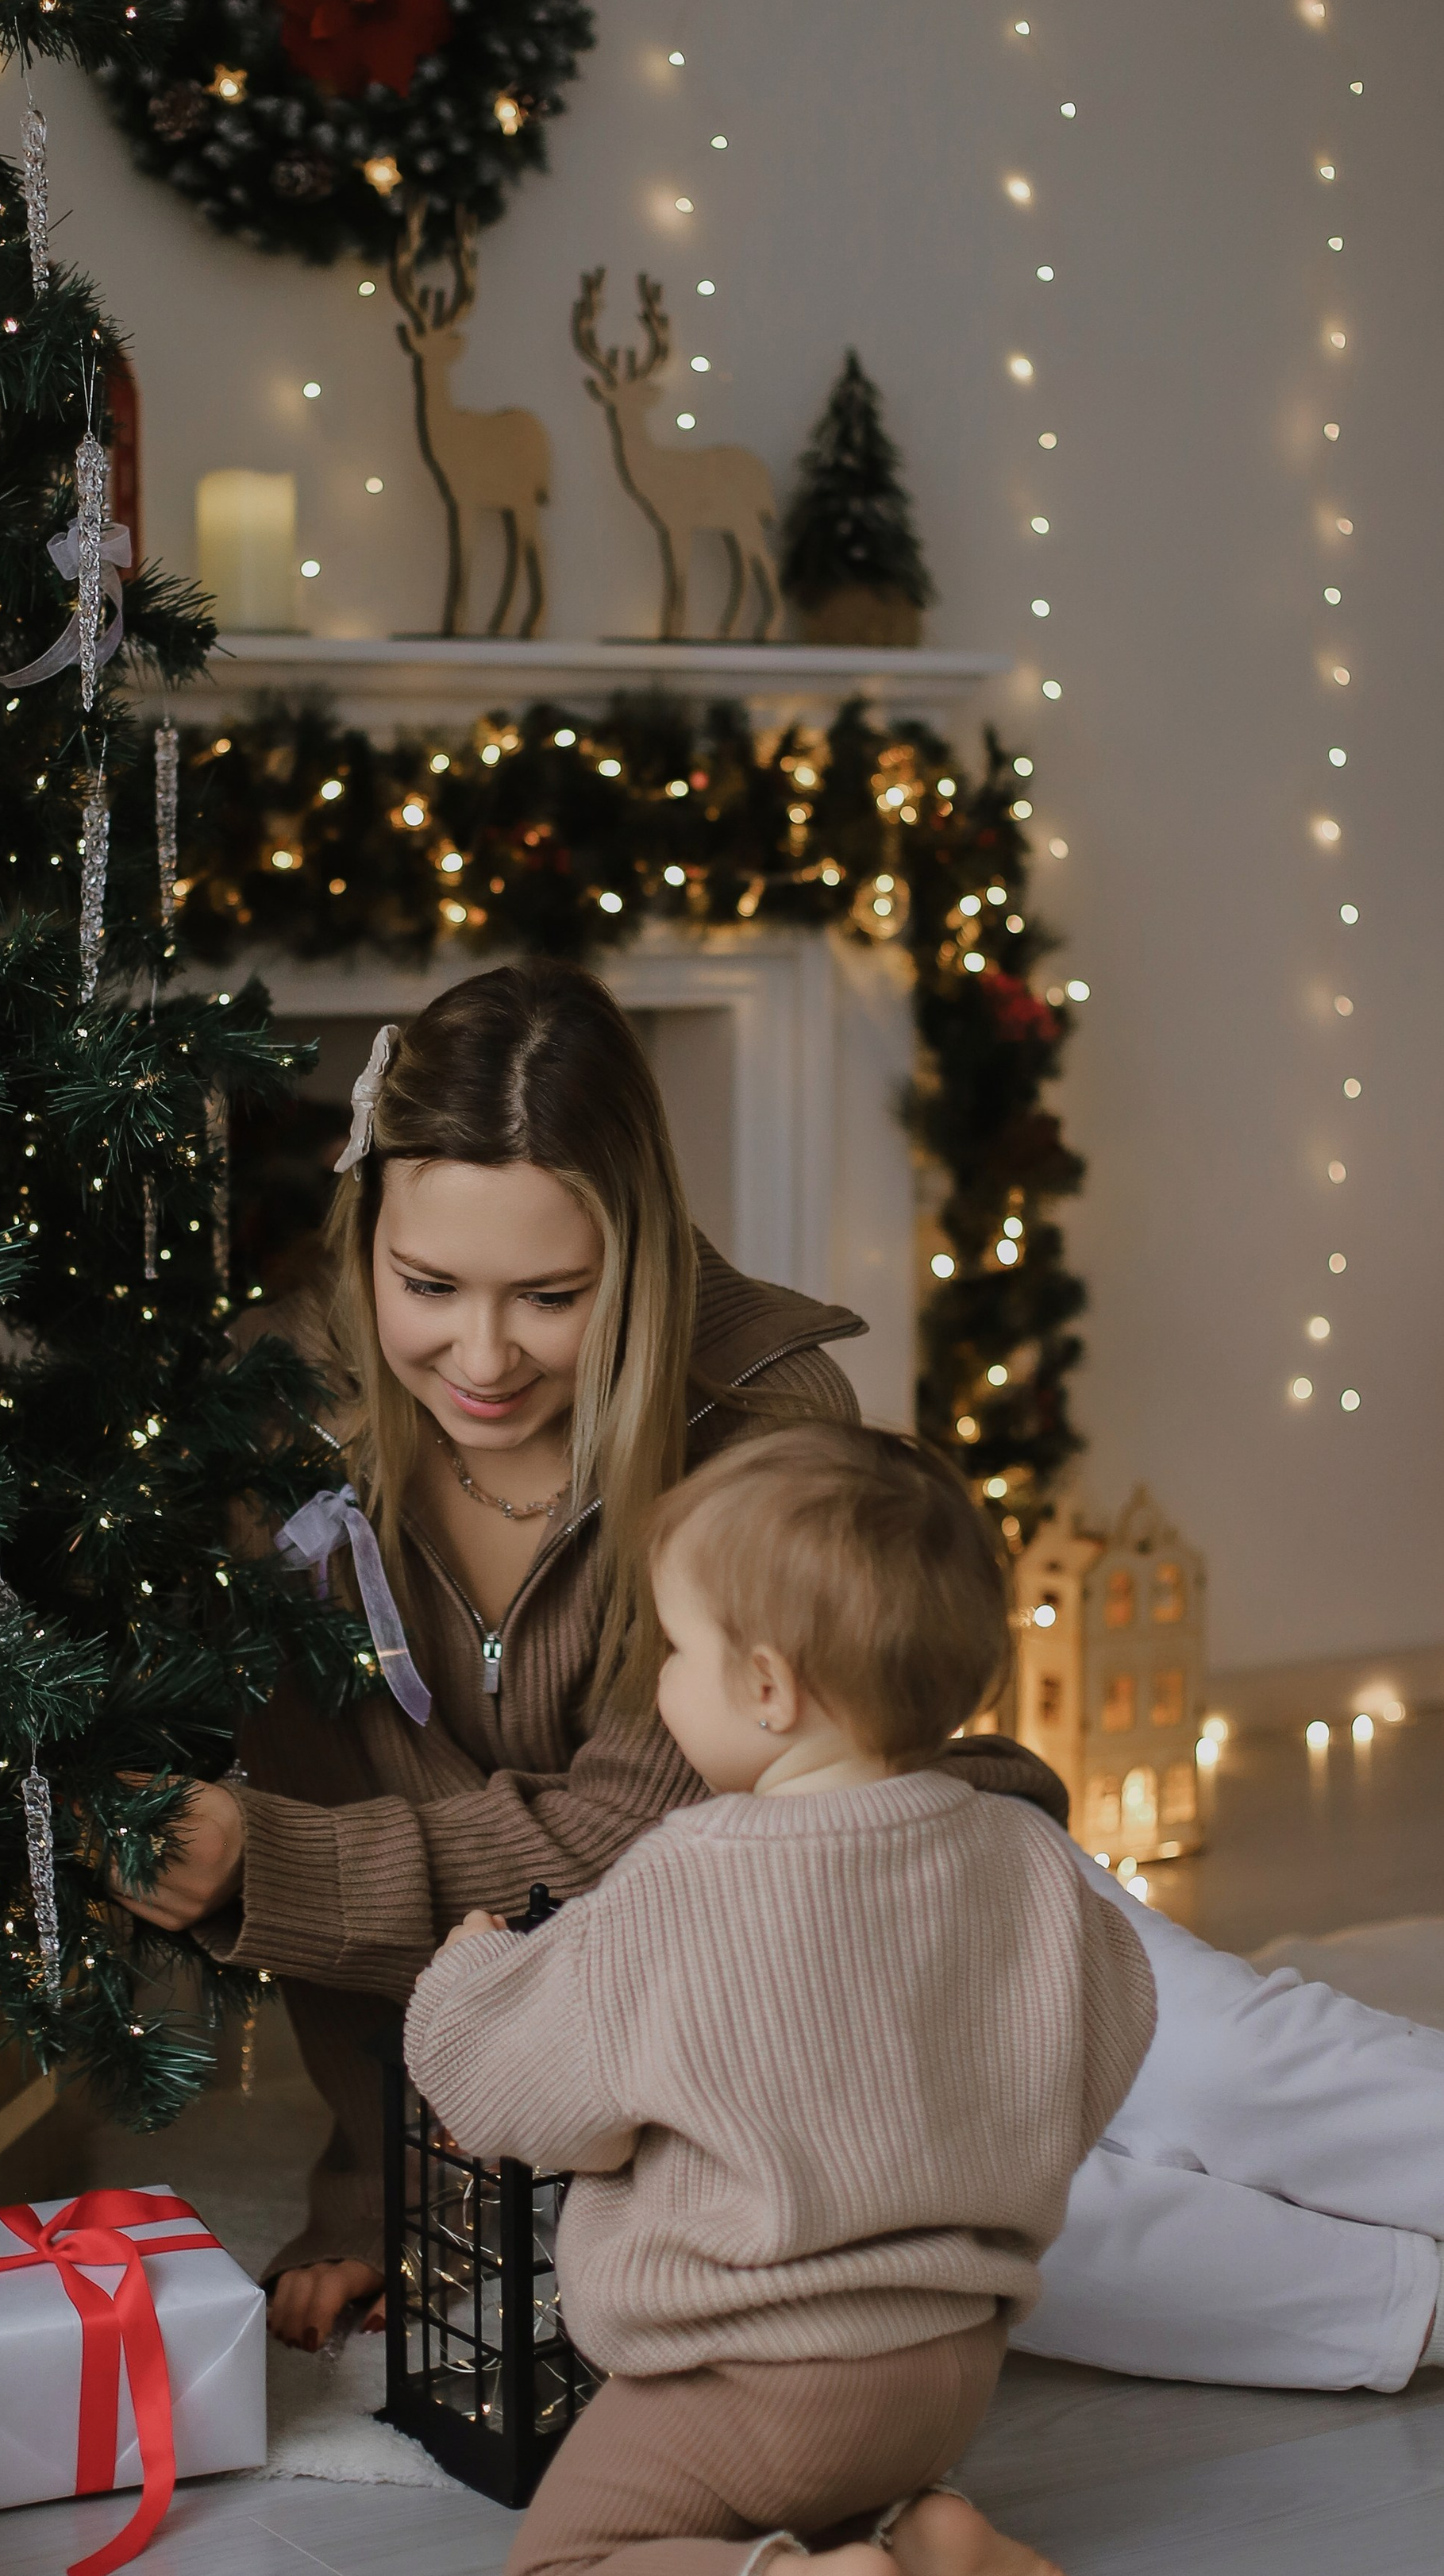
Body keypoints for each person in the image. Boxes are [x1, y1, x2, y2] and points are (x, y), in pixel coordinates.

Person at [117, 959, 1444, 2393]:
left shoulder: (756, 1415)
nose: (482, 1355)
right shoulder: (279, 1444)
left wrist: (285, 1866)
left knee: (1233, 2072)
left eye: (551, 1296)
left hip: (923, 1876)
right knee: (979, 2230)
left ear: (636, 1254)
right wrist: (382, 2199)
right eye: (429, 1285)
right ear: (365, 1235)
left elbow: (628, 1835)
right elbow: (352, 1871)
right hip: (701, 2035)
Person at [406, 1422, 1157, 2576]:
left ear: (766, 1686)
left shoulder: (688, 1878)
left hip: (754, 2383)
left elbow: (521, 2091)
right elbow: (1106, 2038)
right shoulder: (1022, 1855)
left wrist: (467, 1981)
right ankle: (913, 2532)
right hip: (948, 2367)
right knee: (831, 2467)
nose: (666, 1686)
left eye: (678, 1656)